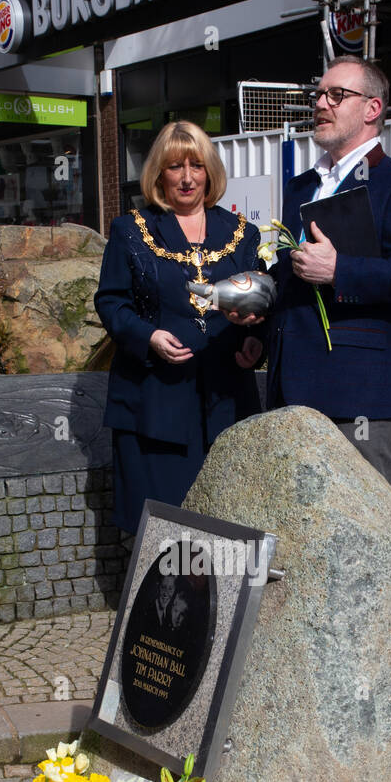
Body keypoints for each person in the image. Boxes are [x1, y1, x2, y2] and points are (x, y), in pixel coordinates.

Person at [255, 56, 391, 487]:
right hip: (287, 394)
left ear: (372, 109)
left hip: (358, 399)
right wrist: (256, 320)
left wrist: (340, 270)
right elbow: (292, 281)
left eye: (337, 95)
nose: (321, 103)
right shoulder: (299, 186)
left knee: (363, 545)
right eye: (318, 94)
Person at [94, 120, 263, 535]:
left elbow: (258, 305)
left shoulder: (242, 235)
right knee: (164, 529)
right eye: (174, 167)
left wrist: (254, 340)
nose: (187, 178)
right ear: (158, 174)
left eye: (196, 165)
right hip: (155, 403)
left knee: (227, 522)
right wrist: (147, 336)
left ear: (210, 171)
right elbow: (111, 302)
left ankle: (223, 602)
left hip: (226, 400)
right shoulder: (131, 231)